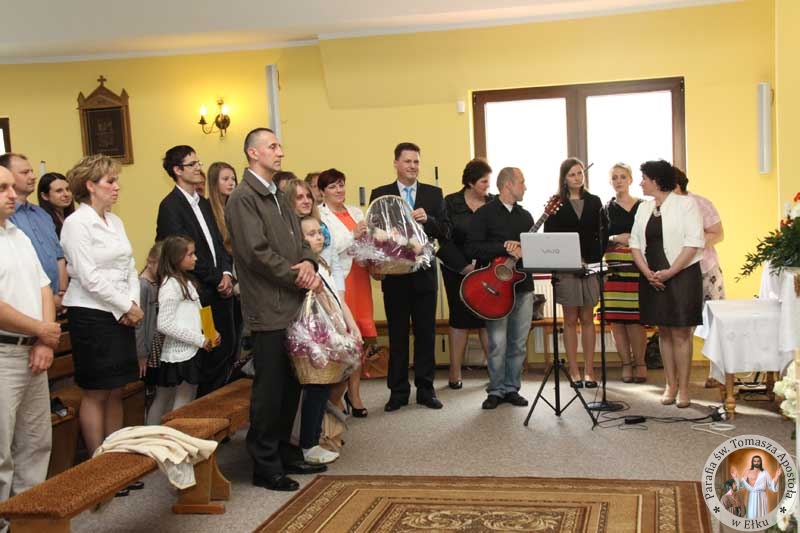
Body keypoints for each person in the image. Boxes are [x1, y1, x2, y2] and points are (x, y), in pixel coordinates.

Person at [225, 127, 325, 492]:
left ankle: (284, 450)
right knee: (270, 390)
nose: (280, 151)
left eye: (279, 146)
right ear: (253, 153)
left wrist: (309, 262)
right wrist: (298, 276)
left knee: (292, 383)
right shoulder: (242, 198)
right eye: (272, 146)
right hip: (268, 306)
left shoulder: (279, 195)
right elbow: (255, 253)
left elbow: (301, 240)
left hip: (292, 303)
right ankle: (264, 464)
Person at [61, 154, 143, 454]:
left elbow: (129, 266)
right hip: (91, 314)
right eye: (110, 181)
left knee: (117, 389)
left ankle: (116, 455)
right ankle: (98, 459)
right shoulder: (76, 223)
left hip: (121, 311)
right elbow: (89, 276)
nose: (117, 186)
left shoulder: (115, 221)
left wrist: (133, 303)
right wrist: (125, 307)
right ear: (90, 185)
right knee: (96, 391)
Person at [369, 142, 449, 412]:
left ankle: (426, 390)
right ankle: (398, 392)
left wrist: (429, 220)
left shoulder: (434, 194)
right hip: (395, 276)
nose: (413, 166)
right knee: (397, 336)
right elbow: (374, 234)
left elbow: (446, 231)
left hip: (425, 275)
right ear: (396, 163)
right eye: (407, 161)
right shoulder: (380, 194)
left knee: (426, 334)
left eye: (416, 162)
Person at [0, 164, 61, 519]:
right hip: (4, 353)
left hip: (33, 350)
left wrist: (44, 340)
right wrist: (41, 329)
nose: (13, 194)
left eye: (12, 186)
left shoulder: (17, 235)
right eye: (2, 188)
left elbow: (43, 286)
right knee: (1, 451)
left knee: (36, 443)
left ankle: (27, 520)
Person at [156, 146, 234, 397]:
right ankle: (205, 411)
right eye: (192, 164)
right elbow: (182, 255)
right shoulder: (170, 206)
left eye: (199, 162)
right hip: (198, 292)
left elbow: (220, 243)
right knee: (208, 357)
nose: (199, 168)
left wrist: (227, 273)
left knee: (226, 350)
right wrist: (216, 278)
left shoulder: (205, 203)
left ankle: (218, 409)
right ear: (177, 170)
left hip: (219, 287)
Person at [629, 160, 704, 408]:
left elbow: (693, 242)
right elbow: (635, 243)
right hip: (652, 275)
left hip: (682, 274)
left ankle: (684, 388)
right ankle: (670, 385)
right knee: (663, 331)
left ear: (657, 180)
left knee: (681, 332)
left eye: (644, 178)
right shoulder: (643, 208)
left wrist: (670, 272)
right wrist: (648, 273)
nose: (641, 183)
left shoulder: (686, 204)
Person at [465, 167, 534, 409]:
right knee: (497, 343)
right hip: (495, 290)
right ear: (508, 185)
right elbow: (472, 248)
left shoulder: (526, 217)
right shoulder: (484, 214)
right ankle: (495, 390)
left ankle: (512, 388)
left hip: (523, 286)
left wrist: (525, 251)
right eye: (522, 182)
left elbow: (534, 252)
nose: (525, 187)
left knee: (518, 343)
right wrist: (503, 247)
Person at [297, 215, 361, 463]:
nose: (319, 237)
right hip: (316, 336)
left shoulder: (323, 264)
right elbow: (317, 303)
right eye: (311, 234)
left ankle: (318, 436)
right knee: (315, 388)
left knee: (325, 387)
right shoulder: (305, 268)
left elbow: (337, 300)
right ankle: (308, 443)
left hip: (332, 331)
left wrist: (350, 326)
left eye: (319, 232)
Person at [318, 168, 375, 417]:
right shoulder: (320, 215)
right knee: (343, 338)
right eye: (332, 187)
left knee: (359, 337)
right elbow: (326, 247)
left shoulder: (356, 212)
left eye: (341, 184)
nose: (339, 190)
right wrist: (353, 235)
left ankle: (355, 393)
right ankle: (336, 395)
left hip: (360, 276)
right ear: (322, 192)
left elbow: (365, 245)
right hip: (339, 279)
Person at [543, 157, 605, 388]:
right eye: (572, 174)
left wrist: (590, 259)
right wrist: (571, 259)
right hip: (566, 268)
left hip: (589, 267)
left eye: (580, 173)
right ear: (564, 178)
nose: (577, 178)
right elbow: (550, 238)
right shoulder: (556, 203)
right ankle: (574, 369)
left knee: (588, 319)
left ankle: (589, 370)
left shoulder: (595, 201)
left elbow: (601, 233)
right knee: (570, 320)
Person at [149, 236, 220, 423]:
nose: (195, 258)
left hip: (191, 350)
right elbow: (164, 324)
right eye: (190, 254)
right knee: (178, 401)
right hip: (181, 354)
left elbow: (198, 310)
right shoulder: (170, 285)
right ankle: (168, 435)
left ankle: (166, 434)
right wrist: (199, 339)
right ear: (176, 257)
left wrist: (211, 332)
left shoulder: (186, 281)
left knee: (175, 398)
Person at [437, 158, 492, 389]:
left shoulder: (492, 203)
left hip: (486, 271)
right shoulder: (450, 202)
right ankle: (455, 372)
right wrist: (464, 267)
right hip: (456, 269)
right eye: (483, 182)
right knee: (459, 318)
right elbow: (443, 238)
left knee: (486, 319)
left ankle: (494, 372)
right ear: (470, 182)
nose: (487, 186)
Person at [674, 167, 726, 388]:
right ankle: (678, 375)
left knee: (715, 321)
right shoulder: (662, 207)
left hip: (706, 269)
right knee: (682, 325)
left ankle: (717, 373)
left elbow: (718, 233)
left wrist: (692, 244)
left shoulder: (701, 203)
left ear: (676, 185)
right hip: (678, 272)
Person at [1, 154, 68, 314]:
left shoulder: (42, 214)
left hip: (55, 300)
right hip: (24, 305)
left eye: (31, 171)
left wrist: (62, 293)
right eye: (25, 172)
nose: (33, 176)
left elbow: (58, 256)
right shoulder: (7, 219)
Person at [602, 163, 647, 383]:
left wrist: (634, 240)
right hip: (614, 270)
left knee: (636, 320)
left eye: (623, 177)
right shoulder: (605, 209)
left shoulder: (644, 206)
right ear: (610, 182)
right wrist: (615, 238)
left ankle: (641, 364)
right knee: (617, 320)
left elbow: (653, 234)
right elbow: (599, 239)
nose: (619, 181)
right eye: (615, 178)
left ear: (630, 180)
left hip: (639, 269)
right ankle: (626, 364)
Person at [37, 172, 75, 237]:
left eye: (68, 189)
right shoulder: (42, 222)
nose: (66, 194)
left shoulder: (74, 217)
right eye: (59, 191)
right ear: (44, 196)